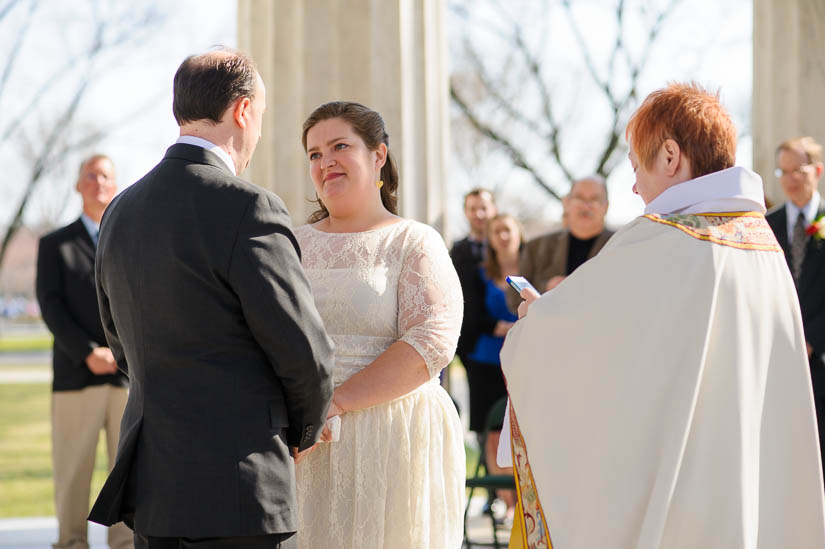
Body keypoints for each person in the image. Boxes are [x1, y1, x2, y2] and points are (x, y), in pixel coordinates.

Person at [501, 83, 825, 547]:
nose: (634, 186)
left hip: (686, 497)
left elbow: (578, 342)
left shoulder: (660, 239)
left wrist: (540, 319)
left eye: (637, 166)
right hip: (747, 480)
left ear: (670, 156)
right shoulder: (763, 243)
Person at [87, 49, 335, 549]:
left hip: (154, 486)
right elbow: (304, 354)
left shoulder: (119, 211)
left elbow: (119, 341)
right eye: (261, 116)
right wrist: (300, 435)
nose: (259, 133)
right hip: (237, 484)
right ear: (242, 111)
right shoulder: (250, 207)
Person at [294, 101, 465, 548]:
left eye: (339, 146)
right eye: (314, 153)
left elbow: (432, 339)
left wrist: (338, 402)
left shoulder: (413, 240)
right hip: (305, 440)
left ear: (378, 156)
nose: (325, 161)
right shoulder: (290, 243)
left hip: (392, 440)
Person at [36, 154, 131, 549]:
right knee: (73, 471)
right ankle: (71, 541)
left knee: (126, 470)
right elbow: (51, 306)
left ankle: (125, 543)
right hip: (77, 376)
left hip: (127, 375)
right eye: (90, 176)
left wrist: (120, 353)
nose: (98, 183)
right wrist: (89, 351)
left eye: (106, 176)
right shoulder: (54, 244)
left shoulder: (130, 241)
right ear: (78, 185)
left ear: (115, 185)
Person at [766, 136, 825, 476]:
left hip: (819, 359)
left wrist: (811, 339)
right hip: (776, 359)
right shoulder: (764, 226)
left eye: (798, 170)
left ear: (817, 171)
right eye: (782, 171)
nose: (789, 179)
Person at [464, 213, 522, 513]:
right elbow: (477, 318)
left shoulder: (531, 270)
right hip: (486, 361)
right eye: (496, 231)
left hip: (522, 361)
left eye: (507, 229)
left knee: (518, 433)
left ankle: (522, 503)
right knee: (492, 434)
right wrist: (512, 325)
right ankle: (506, 504)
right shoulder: (481, 272)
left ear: (518, 233)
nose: (502, 236)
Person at [506, 176, 613, 312]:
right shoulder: (536, 247)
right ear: (567, 203)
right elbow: (513, 301)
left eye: (594, 199)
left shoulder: (623, 245)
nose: (586, 206)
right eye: (579, 198)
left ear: (606, 206)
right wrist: (547, 287)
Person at [451, 188, 498, 370]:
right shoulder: (457, 251)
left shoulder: (511, 247)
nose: (479, 214)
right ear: (466, 212)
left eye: (484, 208)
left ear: (494, 209)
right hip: (472, 346)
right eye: (473, 209)